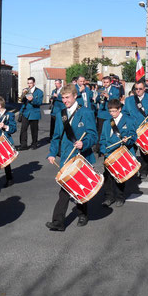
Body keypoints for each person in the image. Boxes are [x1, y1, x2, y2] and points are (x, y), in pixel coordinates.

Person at [46, 84, 98, 231]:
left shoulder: (86, 112)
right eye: (62, 97)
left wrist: (84, 143)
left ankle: (82, 215)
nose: (64, 100)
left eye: (67, 97)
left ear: (75, 96)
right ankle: (58, 222)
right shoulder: (60, 113)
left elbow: (93, 135)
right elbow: (56, 137)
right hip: (67, 156)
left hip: (81, 156)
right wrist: (51, 153)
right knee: (66, 188)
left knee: (79, 187)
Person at [99, 99, 137, 208]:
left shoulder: (129, 120)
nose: (112, 114)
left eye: (114, 111)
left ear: (120, 109)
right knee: (108, 176)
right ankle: (108, 197)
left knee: (119, 176)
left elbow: (133, 136)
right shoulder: (107, 122)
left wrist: (127, 140)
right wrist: (102, 149)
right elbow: (102, 138)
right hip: (109, 153)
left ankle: (120, 197)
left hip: (121, 153)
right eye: (110, 111)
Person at [123, 80, 148, 177]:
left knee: (146, 152)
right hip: (133, 129)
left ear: (144, 89)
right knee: (130, 150)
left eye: (140, 89)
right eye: (136, 89)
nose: (138, 91)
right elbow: (124, 113)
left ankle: (144, 170)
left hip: (145, 128)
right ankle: (133, 170)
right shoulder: (129, 100)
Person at [96, 76, 121, 151]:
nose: (105, 84)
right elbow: (96, 99)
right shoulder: (101, 89)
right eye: (104, 82)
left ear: (110, 82)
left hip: (110, 113)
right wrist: (99, 97)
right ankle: (99, 147)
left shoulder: (115, 90)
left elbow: (116, 100)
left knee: (111, 129)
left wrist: (108, 96)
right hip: (101, 113)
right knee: (100, 131)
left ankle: (112, 145)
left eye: (107, 82)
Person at [18, 77, 43, 150]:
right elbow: (22, 100)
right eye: (28, 83)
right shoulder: (25, 90)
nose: (29, 85)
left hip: (34, 113)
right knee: (23, 129)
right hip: (26, 112)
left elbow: (39, 103)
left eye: (30, 83)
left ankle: (34, 144)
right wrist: (23, 94)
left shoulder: (39, 92)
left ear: (34, 83)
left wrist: (32, 100)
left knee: (34, 130)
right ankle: (23, 145)